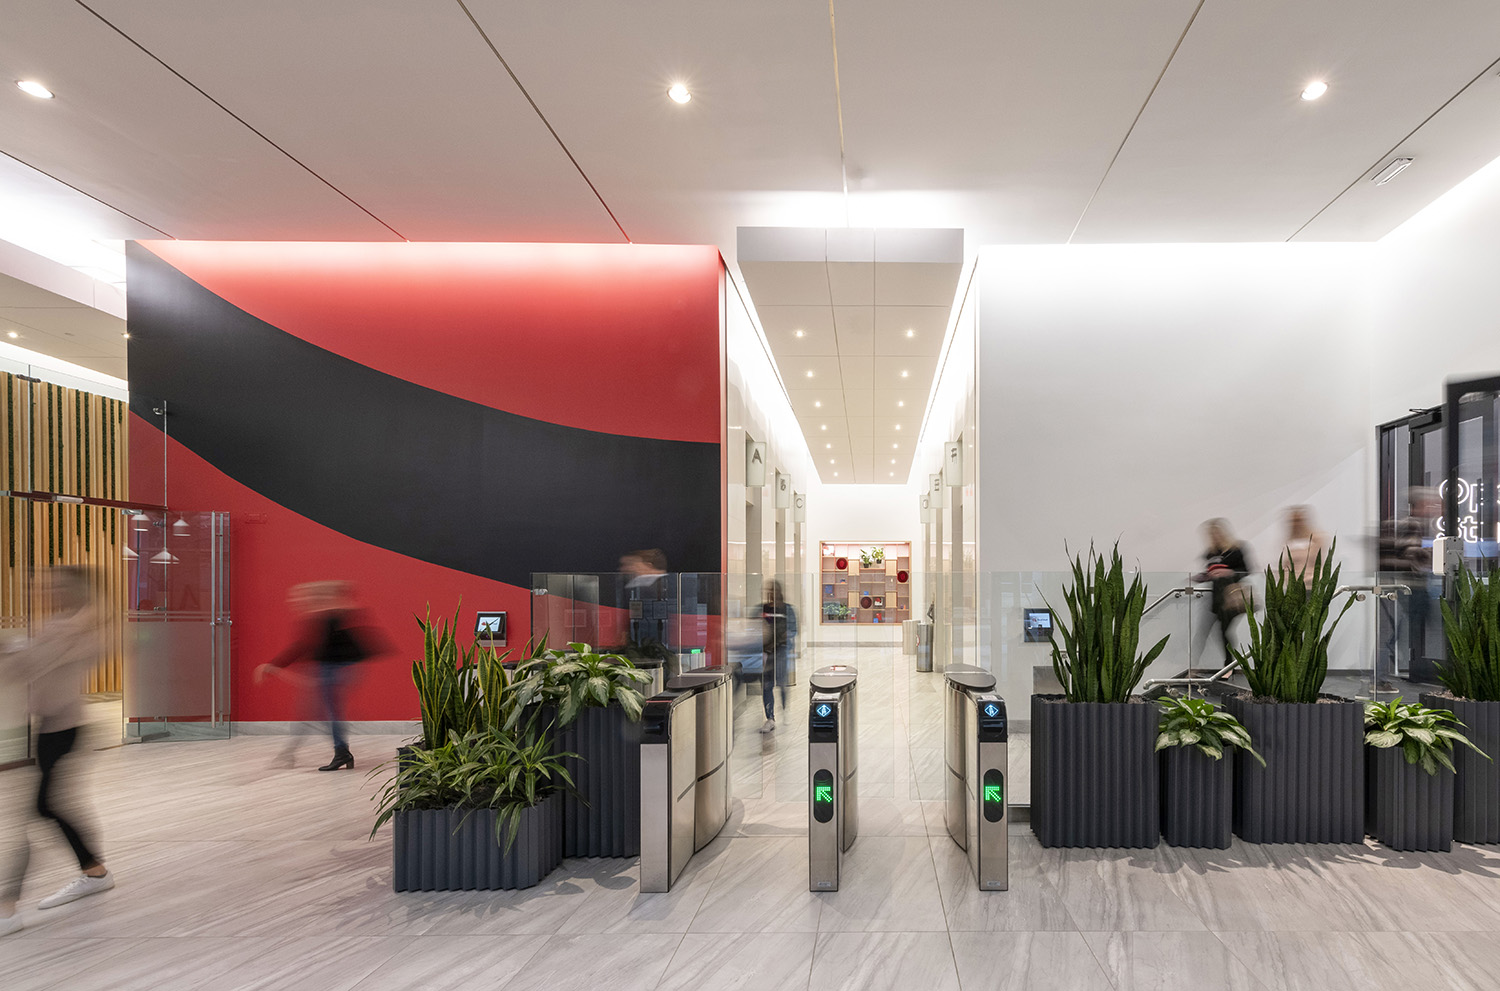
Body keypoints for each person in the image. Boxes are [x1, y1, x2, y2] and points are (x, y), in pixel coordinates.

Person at [1, 566, 115, 936]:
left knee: (37, 808)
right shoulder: (60, 625)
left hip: (64, 730)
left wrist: (19, 654)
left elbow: (33, 664)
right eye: (45, 585)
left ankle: (7, 908)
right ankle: (94, 870)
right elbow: (27, 668)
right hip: (48, 729)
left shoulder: (76, 629)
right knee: (46, 806)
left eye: (56, 585)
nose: (45, 590)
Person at [255, 581, 384, 772]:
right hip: (334, 669)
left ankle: (337, 752)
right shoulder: (333, 616)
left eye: (298, 598)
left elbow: (303, 646)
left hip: (332, 670)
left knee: (322, 713)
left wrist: (274, 665)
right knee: (319, 712)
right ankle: (320, 752)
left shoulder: (325, 617)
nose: (295, 602)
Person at [1190, 519, 1252, 671]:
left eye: (1217, 533)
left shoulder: (1237, 550)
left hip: (1231, 597)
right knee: (1202, 632)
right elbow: (1209, 573)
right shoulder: (1211, 553)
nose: (1215, 537)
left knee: (1224, 632)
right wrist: (1201, 577)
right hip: (1215, 597)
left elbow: (1246, 571)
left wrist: (1228, 572)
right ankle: (1193, 666)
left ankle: (1228, 667)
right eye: (1212, 534)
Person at [758, 579, 798, 733]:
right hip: (766, 653)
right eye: (769, 591)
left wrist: (785, 636)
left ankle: (785, 708)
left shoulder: (787, 609)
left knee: (781, 682)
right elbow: (756, 626)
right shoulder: (763, 608)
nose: (771, 594)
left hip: (781, 650)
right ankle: (770, 718)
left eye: (773, 590)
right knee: (767, 685)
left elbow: (793, 629)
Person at [1279, 505, 1327, 586]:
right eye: (1292, 521)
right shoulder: (1287, 542)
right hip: (1293, 584)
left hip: (1311, 583)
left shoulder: (1316, 538)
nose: (1296, 524)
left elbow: (1319, 563)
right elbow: (1285, 566)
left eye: (1298, 521)